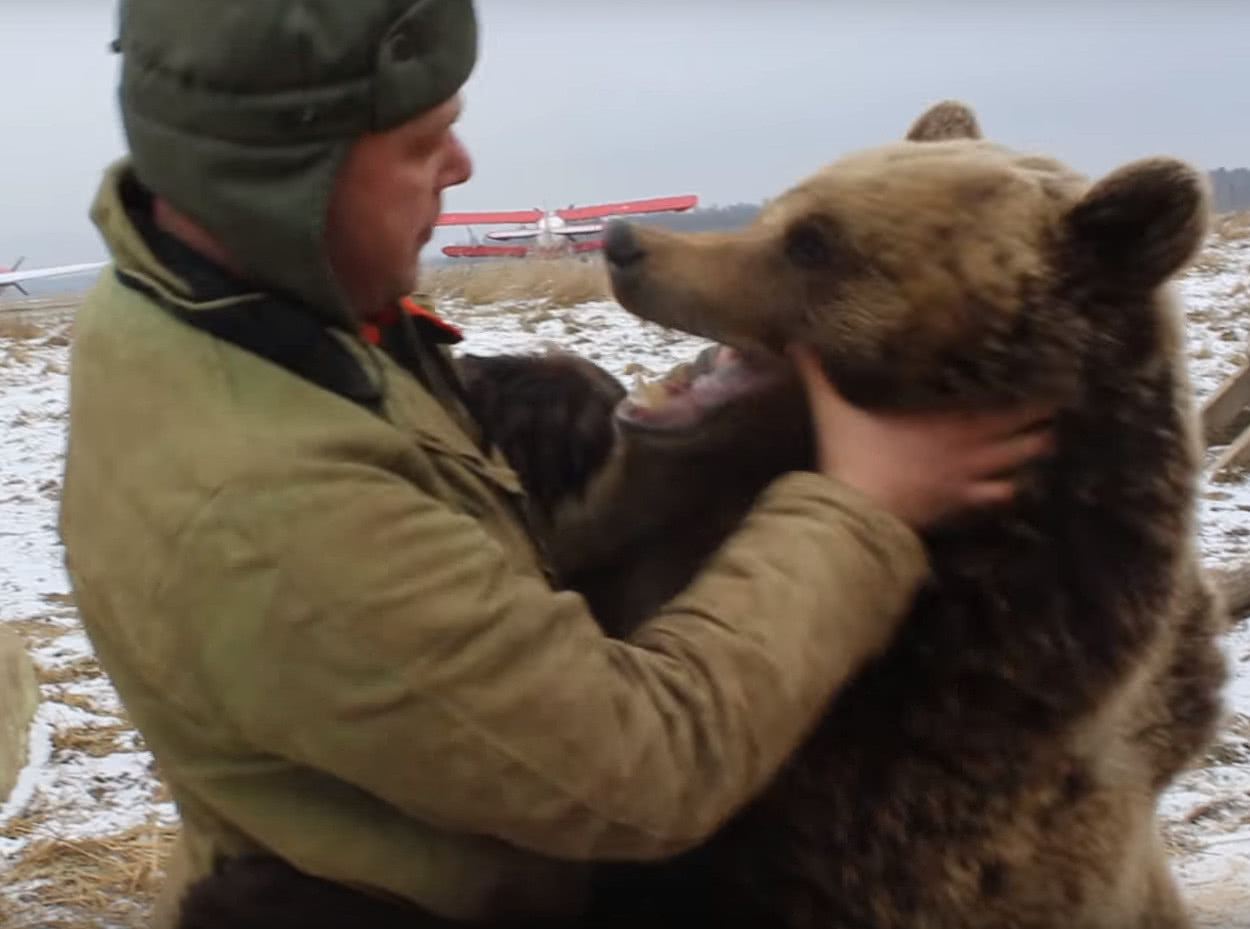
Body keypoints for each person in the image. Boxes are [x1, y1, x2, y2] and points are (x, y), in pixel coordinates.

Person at [58, 1, 1053, 926]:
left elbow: (463, 527)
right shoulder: (268, 501)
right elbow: (647, 770)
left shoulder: (214, 298)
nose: (462, 163)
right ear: (274, 181)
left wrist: (680, 442)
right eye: (417, 142)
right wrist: (859, 504)